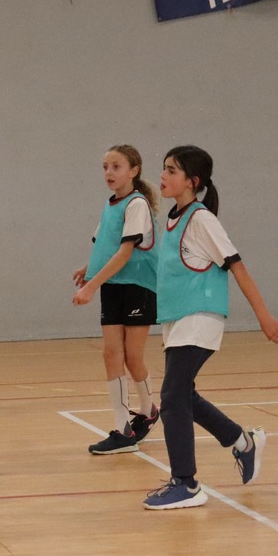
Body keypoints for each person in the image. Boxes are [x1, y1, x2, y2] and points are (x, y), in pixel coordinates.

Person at [143, 145, 278, 510]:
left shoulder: (202, 220)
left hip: (200, 317)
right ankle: (242, 442)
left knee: (172, 397)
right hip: (178, 320)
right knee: (183, 395)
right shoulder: (173, 219)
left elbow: (237, 266)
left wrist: (264, 316)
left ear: (192, 182)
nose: (163, 175)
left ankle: (186, 483)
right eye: (164, 168)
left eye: (172, 170)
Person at [72, 144, 160, 454]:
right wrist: (89, 268)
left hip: (138, 286)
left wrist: (90, 286)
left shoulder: (136, 204)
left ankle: (148, 410)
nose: (109, 172)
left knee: (132, 356)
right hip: (113, 284)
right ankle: (124, 428)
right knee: (111, 354)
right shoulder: (111, 204)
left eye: (116, 167)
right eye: (105, 167)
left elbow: (124, 253)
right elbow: (105, 246)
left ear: (134, 171)